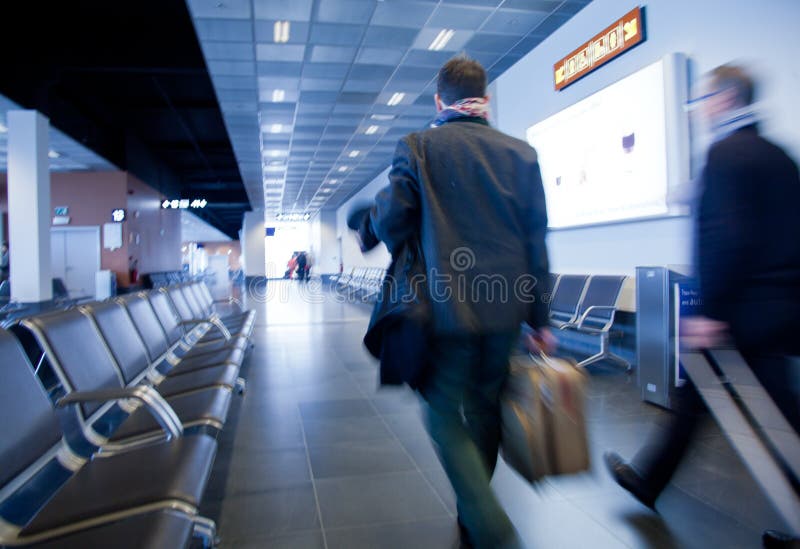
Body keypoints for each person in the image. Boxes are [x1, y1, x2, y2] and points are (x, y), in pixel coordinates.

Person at [604, 64, 800, 548]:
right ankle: (648, 480)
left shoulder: (725, 154)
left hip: (740, 311)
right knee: (705, 398)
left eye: (704, 100)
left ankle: (649, 480)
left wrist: (708, 311)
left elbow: (725, 239)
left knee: (775, 417)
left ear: (726, 99)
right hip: (781, 307)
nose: (700, 109)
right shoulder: (780, 157)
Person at [366, 56, 556, 548]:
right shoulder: (523, 154)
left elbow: (392, 223)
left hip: (446, 309)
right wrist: (541, 319)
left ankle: (488, 521)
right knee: (487, 405)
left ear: (439, 101)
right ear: (484, 98)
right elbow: (537, 243)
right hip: (507, 310)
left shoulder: (418, 147)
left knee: (443, 411)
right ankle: (473, 511)